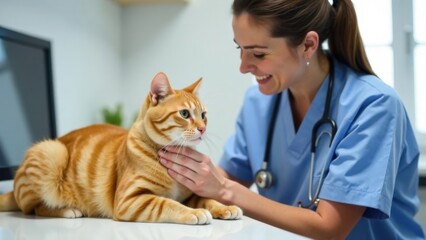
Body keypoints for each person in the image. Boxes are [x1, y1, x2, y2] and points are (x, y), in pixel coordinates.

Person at [158, 0, 425, 239]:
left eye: (258, 53)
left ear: (308, 45)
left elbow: (330, 228)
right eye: (240, 49)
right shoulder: (258, 103)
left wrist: (225, 190)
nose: (243, 66)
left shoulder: (373, 105)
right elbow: (226, 178)